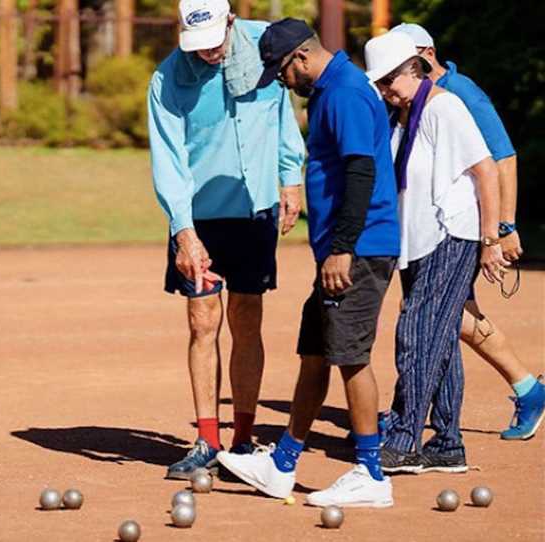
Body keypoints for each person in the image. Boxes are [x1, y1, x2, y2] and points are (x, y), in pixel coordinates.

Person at [217, 18, 400, 508]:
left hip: (358, 250)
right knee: (316, 351)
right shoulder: (330, 90)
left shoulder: (343, 93)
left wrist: (342, 247)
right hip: (341, 251)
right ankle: (282, 464)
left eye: (280, 71)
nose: (281, 81)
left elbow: (362, 170)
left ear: (300, 56)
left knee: (351, 356)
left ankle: (371, 473)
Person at [147, 0, 305, 480]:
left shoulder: (268, 45)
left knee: (247, 319)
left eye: (215, 42)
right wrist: (183, 232)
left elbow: (282, 111)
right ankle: (206, 441)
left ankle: (242, 438)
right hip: (201, 217)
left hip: (256, 205)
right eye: (199, 46)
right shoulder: (167, 79)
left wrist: (289, 175)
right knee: (202, 321)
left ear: (230, 21)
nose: (209, 53)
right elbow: (169, 159)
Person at [389, 23, 545, 441]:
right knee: (449, 317)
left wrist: (502, 227)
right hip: (435, 229)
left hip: (464, 227)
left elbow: (502, 158)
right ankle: (524, 389)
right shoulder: (415, 100)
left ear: (424, 54)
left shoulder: (460, 92)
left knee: (437, 316)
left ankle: (525, 387)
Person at [363, 31, 508, 474]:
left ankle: (406, 438)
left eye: (391, 80)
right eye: (380, 84)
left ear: (414, 68)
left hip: (453, 234)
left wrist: (491, 239)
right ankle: (447, 443)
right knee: (439, 339)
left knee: (418, 333)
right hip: (418, 240)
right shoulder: (404, 114)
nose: (387, 90)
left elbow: (486, 170)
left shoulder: (444, 107)